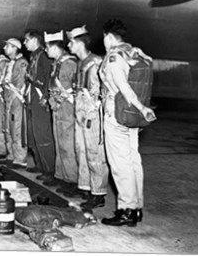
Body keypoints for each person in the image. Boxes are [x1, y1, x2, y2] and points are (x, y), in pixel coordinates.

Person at [99, 19, 156, 227]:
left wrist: (142, 108)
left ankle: (126, 210)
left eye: (105, 37)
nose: (103, 41)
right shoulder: (134, 52)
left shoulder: (114, 57)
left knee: (120, 164)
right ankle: (137, 207)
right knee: (133, 160)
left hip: (117, 115)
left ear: (110, 37)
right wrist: (140, 110)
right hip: (131, 117)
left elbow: (123, 87)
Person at [67, 26, 109, 209]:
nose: (68, 46)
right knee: (81, 151)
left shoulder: (96, 62)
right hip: (80, 112)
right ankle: (85, 187)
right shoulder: (80, 63)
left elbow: (105, 89)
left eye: (70, 42)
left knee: (94, 154)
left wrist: (97, 106)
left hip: (92, 114)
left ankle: (98, 193)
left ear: (79, 43)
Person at [45, 30, 78, 194]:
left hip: (67, 110)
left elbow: (74, 88)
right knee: (59, 143)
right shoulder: (57, 64)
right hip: (58, 108)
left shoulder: (69, 64)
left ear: (55, 47)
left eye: (47, 47)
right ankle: (61, 175)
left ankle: (72, 180)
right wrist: (53, 101)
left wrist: (60, 100)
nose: (46, 50)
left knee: (68, 146)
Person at [23, 29, 56, 185]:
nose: (24, 43)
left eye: (27, 40)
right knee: (33, 134)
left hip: (40, 100)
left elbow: (49, 78)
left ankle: (49, 170)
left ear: (34, 40)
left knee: (43, 135)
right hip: (32, 99)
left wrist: (46, 96)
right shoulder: (34, 56)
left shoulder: (43, 56)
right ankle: (40, 165)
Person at [3, 38, 29, 169]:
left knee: (16, 127)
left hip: (16, 98)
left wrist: (16, 95)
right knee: (8, 126)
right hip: (9, 97)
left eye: (7, 46)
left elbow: (22, 82)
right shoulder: (11, 62)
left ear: (14, 48)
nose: (4, 48)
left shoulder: (22, 62)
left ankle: (20, 158)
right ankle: (11, 155)